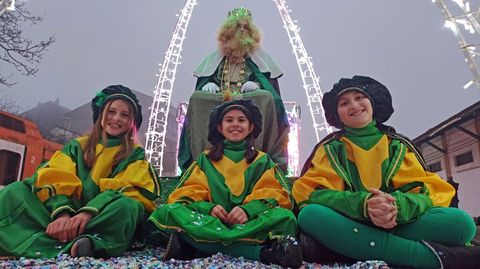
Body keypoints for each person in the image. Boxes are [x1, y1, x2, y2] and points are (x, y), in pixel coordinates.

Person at [292, 75, 480, 268]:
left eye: (359, 98)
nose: (354, 105)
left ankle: (353, 247)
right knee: (310, 215)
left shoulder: (397, 145)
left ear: (373, 102)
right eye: (344, 103)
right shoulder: (330, 149)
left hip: (388, 225)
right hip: (348, 220)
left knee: (461, 224)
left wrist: (396, 208)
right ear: (337, 114)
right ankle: (433, 259)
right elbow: (312, 194)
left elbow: (425, 192)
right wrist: (363, 205)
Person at [0, 85, 160, 259]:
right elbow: (56, 176)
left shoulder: (135, 154)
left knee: (128, 207)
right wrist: (62, 214)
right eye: (111, 112)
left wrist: (88, 212)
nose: (116, 118)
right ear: (100, 114)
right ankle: (78, 244)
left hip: (96, 219)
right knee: (15, 191)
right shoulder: (77, 146)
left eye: (124, 114)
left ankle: (89, 240)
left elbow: (126, 188)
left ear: (131, 122)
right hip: (60, 216)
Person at [149, 99, 302, 268]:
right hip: (210, 220)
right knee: (167, 211)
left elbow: (275, 194)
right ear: (220, 127)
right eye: (229, 120)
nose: (235, 124)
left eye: (241, 120)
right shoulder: (205, 159)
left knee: (285, 217)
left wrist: (248, 210)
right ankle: (263, 254)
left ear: (251, 127)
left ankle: (200, 245)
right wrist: (208, 208)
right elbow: (186, 193)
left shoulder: (262, 160)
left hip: (247, 223)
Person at [178, 7, 290, 173]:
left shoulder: (260, 59)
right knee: (197, 98)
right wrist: (208, 84)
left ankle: (258, 155)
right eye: (238, 27)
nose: (242, 31)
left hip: (249, 98)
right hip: (219, 98)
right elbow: (207, 79)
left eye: (245, 27)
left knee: (265, 97)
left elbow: (270, 90)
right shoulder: (215, 59)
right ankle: (201, 157)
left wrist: (257, 85)